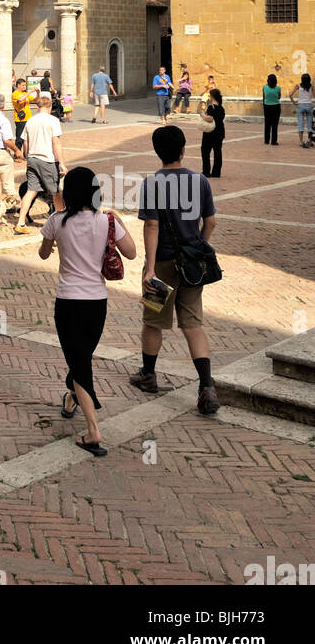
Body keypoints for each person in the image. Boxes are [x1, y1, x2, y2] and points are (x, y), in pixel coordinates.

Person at [39, 166, 137, 456]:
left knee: (80, 363)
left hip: (68, 302)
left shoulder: (56, 221)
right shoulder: (105, 221)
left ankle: (94, 431)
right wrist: (117, 221)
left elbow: (43, 253)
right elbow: (131, 252)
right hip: (97, 303)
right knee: (82, 358)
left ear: (68, 192)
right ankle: (73, 397)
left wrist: (55, 244)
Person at [130, 124, 220, 414]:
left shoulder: (152, 183)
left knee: (153, 320)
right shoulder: (200, 181)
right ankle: (206, 387)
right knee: (193, 324)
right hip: (191, 266)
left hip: (164, 264)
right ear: (183, 149)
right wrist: (199, 249)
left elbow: (152, 225)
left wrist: (150, 269)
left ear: (158, 152)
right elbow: (211, 222)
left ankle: (148, 374)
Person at [16, 92, 67, 233]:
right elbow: (55, 142)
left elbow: (25, 143)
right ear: (49, 107)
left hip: (32, 159)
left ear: (38, 107)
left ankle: (20, 223)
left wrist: (27, 156)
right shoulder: (53, 121)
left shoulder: (30, 121)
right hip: (47, 160)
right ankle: (61, 225)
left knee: (31, 190)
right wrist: (62, 162)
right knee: (56, 193)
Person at [199, 87, 225, 178]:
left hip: (210, 133)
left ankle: (206, 171)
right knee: (218, 152)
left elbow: (210, 119)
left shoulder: (211, 107)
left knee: (205, 152)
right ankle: (216, 172)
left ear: (212, 96)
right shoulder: (221, 108)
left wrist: (202, 114)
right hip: (220, 132)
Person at [290, 73, 314, 149]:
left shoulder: (298, 86)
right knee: (310, 125)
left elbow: (290, 94)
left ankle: (301, 142)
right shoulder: (312, 86)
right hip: (309, 106)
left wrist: (294, 102)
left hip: (300, 106)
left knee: (301, 124)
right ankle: (310, 141)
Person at [11, 78, 34, 151]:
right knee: (19, 138)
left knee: (27, 138)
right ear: (18, 85)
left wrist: (38, 93)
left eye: (25, 85)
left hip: (28, 118)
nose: (24, 87)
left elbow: (35, 100)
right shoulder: (15, 94)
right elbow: (20, 99)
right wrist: (29, 92)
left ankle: (25, 154)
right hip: (20, 119)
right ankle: (17, 155)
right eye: (23, 85)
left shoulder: (25, 93)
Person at [262, 73, 282, 146]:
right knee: (274, 125)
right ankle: (274, 141)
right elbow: (279, 97)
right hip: (276, 107)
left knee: (267, 124)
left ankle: (266, 140)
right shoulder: (278, 88)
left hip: (267, 106)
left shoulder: (264, 87)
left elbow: (264, 97)